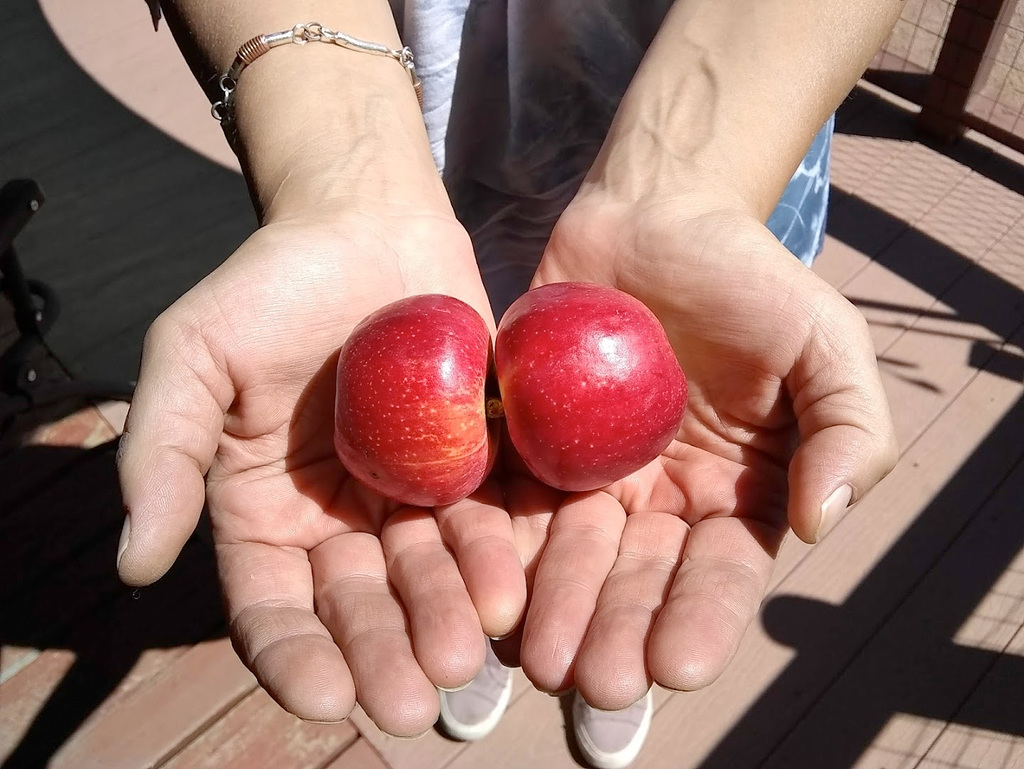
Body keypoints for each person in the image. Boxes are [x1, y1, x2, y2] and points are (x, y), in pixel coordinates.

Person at [116, 1, 900, 767]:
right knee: (489, 542)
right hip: (424, 156)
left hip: (735, 129)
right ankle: (497, 616)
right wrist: (336, 170)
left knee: (619, 585)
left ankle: (586, 631)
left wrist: (693, 184)